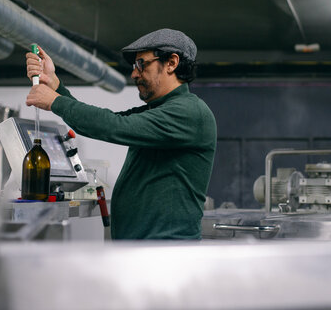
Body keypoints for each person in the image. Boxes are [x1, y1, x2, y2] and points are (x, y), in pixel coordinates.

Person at [25, 28, 217, 239]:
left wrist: (54, 101)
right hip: (147, 252)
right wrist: (55, 84)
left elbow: (111, 125)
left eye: (141, 64)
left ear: (171, 62)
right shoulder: (160, 111)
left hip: (164, 255)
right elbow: (106, 121)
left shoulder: (188, 112)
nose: (134, 73)